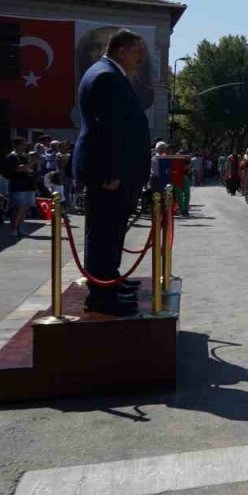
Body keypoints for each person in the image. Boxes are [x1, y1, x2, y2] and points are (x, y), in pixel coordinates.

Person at [72, 29, 151, 316]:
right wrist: (112, 172)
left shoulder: (110, 74)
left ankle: (110, 282)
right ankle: (101, 296)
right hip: (109, 174)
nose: (140, 58)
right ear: (121, 50)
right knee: (104, 233)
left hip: (116, 172)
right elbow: (109, 130)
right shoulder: (106, 77)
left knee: (113, 232)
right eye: (137, 52)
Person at [2, 138, 39, 238]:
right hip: (18, 185)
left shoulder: (26, 156)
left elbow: (32, 170)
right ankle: (13, 229)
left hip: (29, 185)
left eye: (26, 144)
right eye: (23, 144)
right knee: (19, 208)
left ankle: (19, 227)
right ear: (16, 145)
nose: (25, 146)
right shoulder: (12, 157)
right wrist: (31, 163)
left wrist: (36, 164)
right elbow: (17, 169)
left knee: (25, 209)